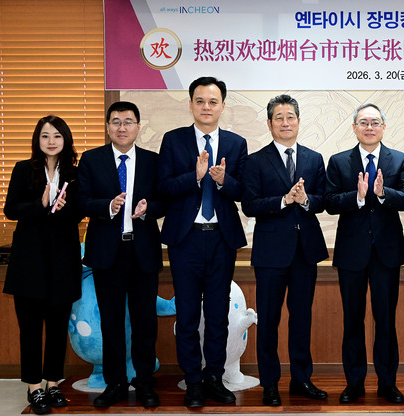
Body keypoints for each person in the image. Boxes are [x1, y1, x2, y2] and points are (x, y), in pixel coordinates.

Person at [157, 76, 248, 407]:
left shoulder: (236, 143)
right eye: (200, 101)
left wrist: (224, 181)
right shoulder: (174, 140)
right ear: (191, 104)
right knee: (187, 315)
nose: (206, 107)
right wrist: (194, 177)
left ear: (222, 106)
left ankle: (214, 377)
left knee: (218, 314)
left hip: (221, 239)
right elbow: (163, 188)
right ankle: (193, 380)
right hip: (186, 239)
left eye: (212, 101)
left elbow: (244, 191)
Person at [242, 95, 329, 406]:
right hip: (270, 254)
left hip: (305, 252)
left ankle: (301, 379)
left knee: (301, 318)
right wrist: (284, 200)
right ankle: (269, 383)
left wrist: (305, 200)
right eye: (278, 117)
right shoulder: (255, 161)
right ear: (269, 123)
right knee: (268, 320)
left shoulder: (314, 159)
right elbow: (250, 205)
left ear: (298, 121)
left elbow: (324, 200)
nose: (285, 122)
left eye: (290, 117)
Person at [324, 103, 404, 404]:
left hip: (387, 253)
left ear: (384, 127)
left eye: (375, 122)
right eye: (363, 122)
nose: (369, 127)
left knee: (385, 320)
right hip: (351, 253)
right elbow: (330, 202)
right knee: (353, 320)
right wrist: (358, 197)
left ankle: (388, 383)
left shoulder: (399, 159)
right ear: (354, 128)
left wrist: (382, 193)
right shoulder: (339, 161)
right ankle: (354, 383)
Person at [78, 101, 164, 408]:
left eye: (128, 121)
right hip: (107, 252)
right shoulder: (91, 159)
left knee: (145, 322)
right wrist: (108, 206)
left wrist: (149, 209)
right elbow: (81, 201)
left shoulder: (153, 161)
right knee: (111, 322)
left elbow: (165, 200)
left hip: (142, 251)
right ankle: (114, 382)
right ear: (107, 127)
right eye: (116, 121)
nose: (122, 127)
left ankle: (144, 381)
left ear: (138, 126)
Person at [3, 115, 82, 415]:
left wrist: (64, 208)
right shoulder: (24, 169)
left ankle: (52, 383)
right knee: (31, 328)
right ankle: (34, 386)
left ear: (66, 140)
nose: (51, 141)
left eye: (57, 136)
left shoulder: (74, 174)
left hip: (63, 262)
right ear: (37, 140)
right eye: (45, 136)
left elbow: (79, 213)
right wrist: (41, 204)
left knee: (58, 327)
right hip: (30, 263)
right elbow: (11, 210)